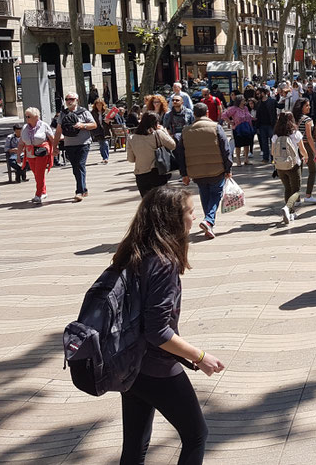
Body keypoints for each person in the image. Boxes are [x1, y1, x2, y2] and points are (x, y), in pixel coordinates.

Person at [113, 185, 225, 464]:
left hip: (129, 362)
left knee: (135, 444)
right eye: (189, 212)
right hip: (156, 367)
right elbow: (157, 330)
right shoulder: (163, 263)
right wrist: (200, 357)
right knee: (196, 435)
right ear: (172, 219)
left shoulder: (133, 253)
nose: (193, 217)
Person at [175, 102, 233, 239]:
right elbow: (226, 149)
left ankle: (208, 224)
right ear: (207, 113)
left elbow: (180, 154)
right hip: (216, 169)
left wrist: (184, 173)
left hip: (196, 171)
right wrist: (228, 167)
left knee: (205, 193)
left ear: (194, 114)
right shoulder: (216, 127)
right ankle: (209, 220)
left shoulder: (186, 131)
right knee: (216, 194)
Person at [54, 92, 97, 202]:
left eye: (71, 99)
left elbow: (94, 125)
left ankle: (79, 191)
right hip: (69, 144)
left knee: (80, 165)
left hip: (83, 143)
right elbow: (58, 131)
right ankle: (84, 188)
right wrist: (54, 147)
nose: (69, 101)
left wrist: (83, 125)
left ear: (77, 100)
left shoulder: (84, 112)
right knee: (75, 168)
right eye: (67, 99)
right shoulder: (63, 114)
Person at [271, 112, 309, 225]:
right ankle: (288, 208)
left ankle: (291, 213)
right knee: (296, 190)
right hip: (293, 165)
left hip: (280, 166)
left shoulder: (275, 135)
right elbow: (302, 150)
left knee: (287, 188)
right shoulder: (295, 134)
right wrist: (306, 157)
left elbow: (273, 152)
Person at [127, 112, 177, 197]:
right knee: (160, 201)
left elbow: (131, 159)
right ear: (155, 123)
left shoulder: (131, 138)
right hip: (157, 171)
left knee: (147, 204)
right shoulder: (158, 134)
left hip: (141, 174)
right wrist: (164, 131)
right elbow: (172, 145)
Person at [19, 108, 52, 202]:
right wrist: (18, 155)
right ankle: (44, 192)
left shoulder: (44, 125)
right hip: (30, 154)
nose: (27, 118)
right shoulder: (25, 127)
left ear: (36, 117)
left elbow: (52, 138)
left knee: (40, 174)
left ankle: (38, 194)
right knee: (37, 174)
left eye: (29, 116)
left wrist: (54, 149)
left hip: (41, 152)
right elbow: (21, 142)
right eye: (26, 116)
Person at [222, 95, 254, 166]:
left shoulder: (245, 108)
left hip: (246, 128)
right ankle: (238, 160)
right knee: (238, 145)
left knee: (246, 144)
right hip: (237, 129)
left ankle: (246, 159)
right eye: (243, 100)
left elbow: (248, 115)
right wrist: (229, 122)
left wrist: (252, 118)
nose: (244, 101)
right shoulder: (233, 109)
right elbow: (224, 115)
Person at [255, 87, 278, 162]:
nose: (258, 95)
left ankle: (273, 158)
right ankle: (265, 158)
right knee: (264, 143)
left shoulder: (272, 101)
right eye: (257, 94)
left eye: (259, 93)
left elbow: (280, 106)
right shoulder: (258, 103)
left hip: (271, 125)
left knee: (273, 142)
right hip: (262, 125)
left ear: (263, 93)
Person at [90, 99, 112, 164]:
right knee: (101, 144)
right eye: (97, 105)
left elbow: (114, 120)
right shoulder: (93, 113)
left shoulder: (107, 111)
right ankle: (104, 157)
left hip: (105, 129)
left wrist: (109, 121)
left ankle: (105, 158)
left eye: (100, 105)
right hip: (97, 130)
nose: (99, 106)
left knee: (105, 143)